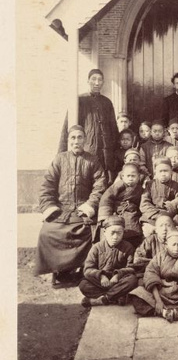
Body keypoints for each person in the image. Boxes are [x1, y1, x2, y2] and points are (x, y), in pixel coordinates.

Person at [35, 125, 106, 287]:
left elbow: (100, 185)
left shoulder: (92, 160)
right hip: (61, 209)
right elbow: (47, 186)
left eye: (80, 137)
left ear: (85, 140)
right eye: (73, 138)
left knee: (87, 232)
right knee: (48, 232)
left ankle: (79, 271)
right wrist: (50, 206)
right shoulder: (59, 159)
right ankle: (58, 271)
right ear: (68, 140)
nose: (76, 141)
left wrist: (90, 205)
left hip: (82, 208)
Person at [58, 69, 119, 183]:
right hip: (88, 152)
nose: (97, 83)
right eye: (93, 79)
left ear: (103, 82)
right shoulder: (79, 101)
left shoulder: (107, 103)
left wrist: (115, 153)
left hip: (106, 155)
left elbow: (113, 130)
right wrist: (61, 154)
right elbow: (67, 129)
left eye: (100, 80)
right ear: (88, 81)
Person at [79, 215, 139, 307]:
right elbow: (88, 269)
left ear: (123, 233)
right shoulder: (97, 247)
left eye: (119, 233)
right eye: (112, 233)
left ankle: (103, 299)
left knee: (132, 280)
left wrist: (118, 275)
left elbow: (131, 268)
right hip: (101, 282)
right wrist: (101, 276)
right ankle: (117, 296)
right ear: (105, 232)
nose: (115, 237)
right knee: (84, 285)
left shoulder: (128, 247)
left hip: (118, 281)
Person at [98, 162, 143, 247]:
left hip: (132, 215)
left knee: (134, 232)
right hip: (117, 213)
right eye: (128, 176)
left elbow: (142, 203)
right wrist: (105, 217)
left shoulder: (140, 189)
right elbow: (106, 199)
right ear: (122, 176)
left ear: (138, 177)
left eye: (133, 176)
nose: (130, 178)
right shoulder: (117, 186)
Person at [139, 157, 178, 236]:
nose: (163, 174)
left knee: (175, 231)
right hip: (152, 216)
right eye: (160, 171)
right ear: (155, 172)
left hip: (169, 215)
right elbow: (144, 203)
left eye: (166, 171)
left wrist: (170, 206)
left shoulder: (176, 186)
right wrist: (156, 214)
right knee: (149, 231)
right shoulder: (150, 185)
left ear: (171, 171)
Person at [132, 212, 173, 282]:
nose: (164, 229)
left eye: (168, 225)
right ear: (156, 229)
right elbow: (137, 260)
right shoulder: (150, 240)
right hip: (149, 275)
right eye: (161, 226)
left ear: (173, 228)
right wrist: (158, 264)